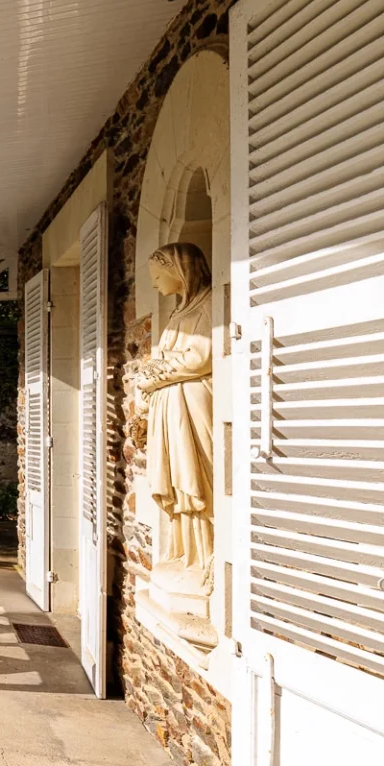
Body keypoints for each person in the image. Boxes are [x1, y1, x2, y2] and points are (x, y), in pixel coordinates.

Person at [131, 242, 213, 588]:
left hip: (192, 410)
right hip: (171, 411)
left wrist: (152, 375)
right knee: (179, 488)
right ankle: (184, 555)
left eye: (157, 275)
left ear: (179, 272)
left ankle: (206, 556)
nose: (154, 284)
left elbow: (200, 358)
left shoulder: (208, 307)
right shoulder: (179, 313)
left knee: (196, 483)